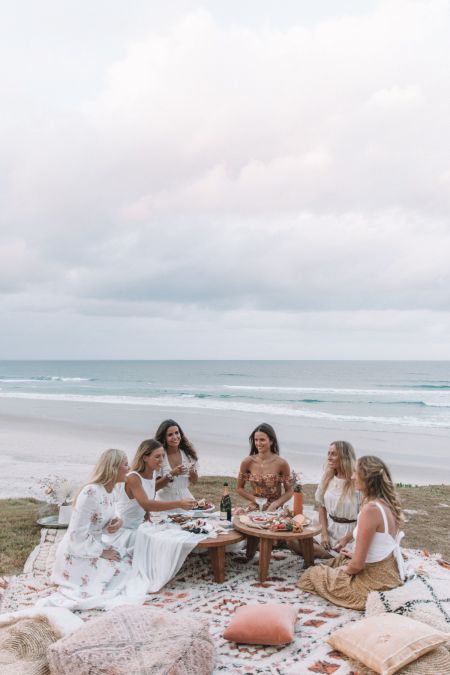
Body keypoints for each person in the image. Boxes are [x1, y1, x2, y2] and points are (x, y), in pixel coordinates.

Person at [298, 455, 405, 610]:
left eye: (356, 473)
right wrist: (351, 558)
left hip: (375, 580)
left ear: (367, 478)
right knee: (339, 559)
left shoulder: (371, 509)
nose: (353, 476)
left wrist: (346, 570)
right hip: (387, 569)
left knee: (311, 575)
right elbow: (377, 546)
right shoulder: (384, 504)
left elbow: (357, 565)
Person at [40, 449, 137, 610]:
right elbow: (76, 535)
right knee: (118, 576)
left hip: (95, 544)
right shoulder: (90, 492)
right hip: (78, 551)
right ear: (113, 468)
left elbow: (111, 514)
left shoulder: (112, 490)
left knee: (129, 562)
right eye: (125, 464)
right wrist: (102, 553)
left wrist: (118, 521)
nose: (129, 468)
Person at [107, 439, 196, 548]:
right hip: (126, 530)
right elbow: (146, 503)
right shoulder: (133, 477)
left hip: (141, 526)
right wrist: (179, 503)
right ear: (145, 458)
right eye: (157, 456)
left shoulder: (152, 473)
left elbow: (148, 494)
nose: (162, 460)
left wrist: (147, 514)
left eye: (163, 456)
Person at [313, 441, 360, 558]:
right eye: (328, 453)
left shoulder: (358, 482)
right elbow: (322, 508)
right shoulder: (327, 477)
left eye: (333, 454)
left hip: (351, 533)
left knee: (309, 548)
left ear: (345, 457)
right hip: (329, 527)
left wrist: (347, 538)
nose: (329, 457)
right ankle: (332, 555)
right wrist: (324, 534)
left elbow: (365, 520)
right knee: (293, 542)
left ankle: (334, 555)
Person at [236, 423, 293, 512]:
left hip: (275, 511)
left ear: (271, 441)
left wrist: (276, 504)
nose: (258, 443)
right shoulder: (247, 462)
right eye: (256, 440)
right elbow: (239, 488)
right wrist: (256, 500)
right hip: (254, 509)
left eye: (262, 440)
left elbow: (289, 491)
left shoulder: (282, 463)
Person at [155, 419, 199, 513]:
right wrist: (172, 474)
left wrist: (193, 473)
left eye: (177, 433)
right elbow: (155, 487)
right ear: (164, 438)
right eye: (170, 435)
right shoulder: (159, 456)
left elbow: (194, 481)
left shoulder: (188, 455)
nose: (175, 437)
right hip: (165, 503)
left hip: (186, 500)